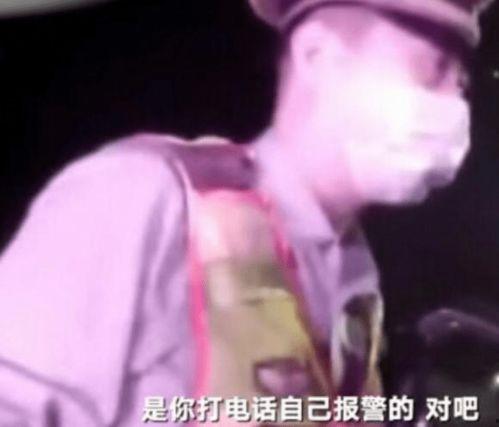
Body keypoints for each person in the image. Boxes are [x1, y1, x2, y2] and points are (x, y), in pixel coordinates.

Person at [0, 0, 493, 425]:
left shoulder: (353, 271)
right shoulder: (144, 195)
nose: (455, 104)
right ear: (319, 55)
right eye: (434, 69)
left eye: (461, 83)